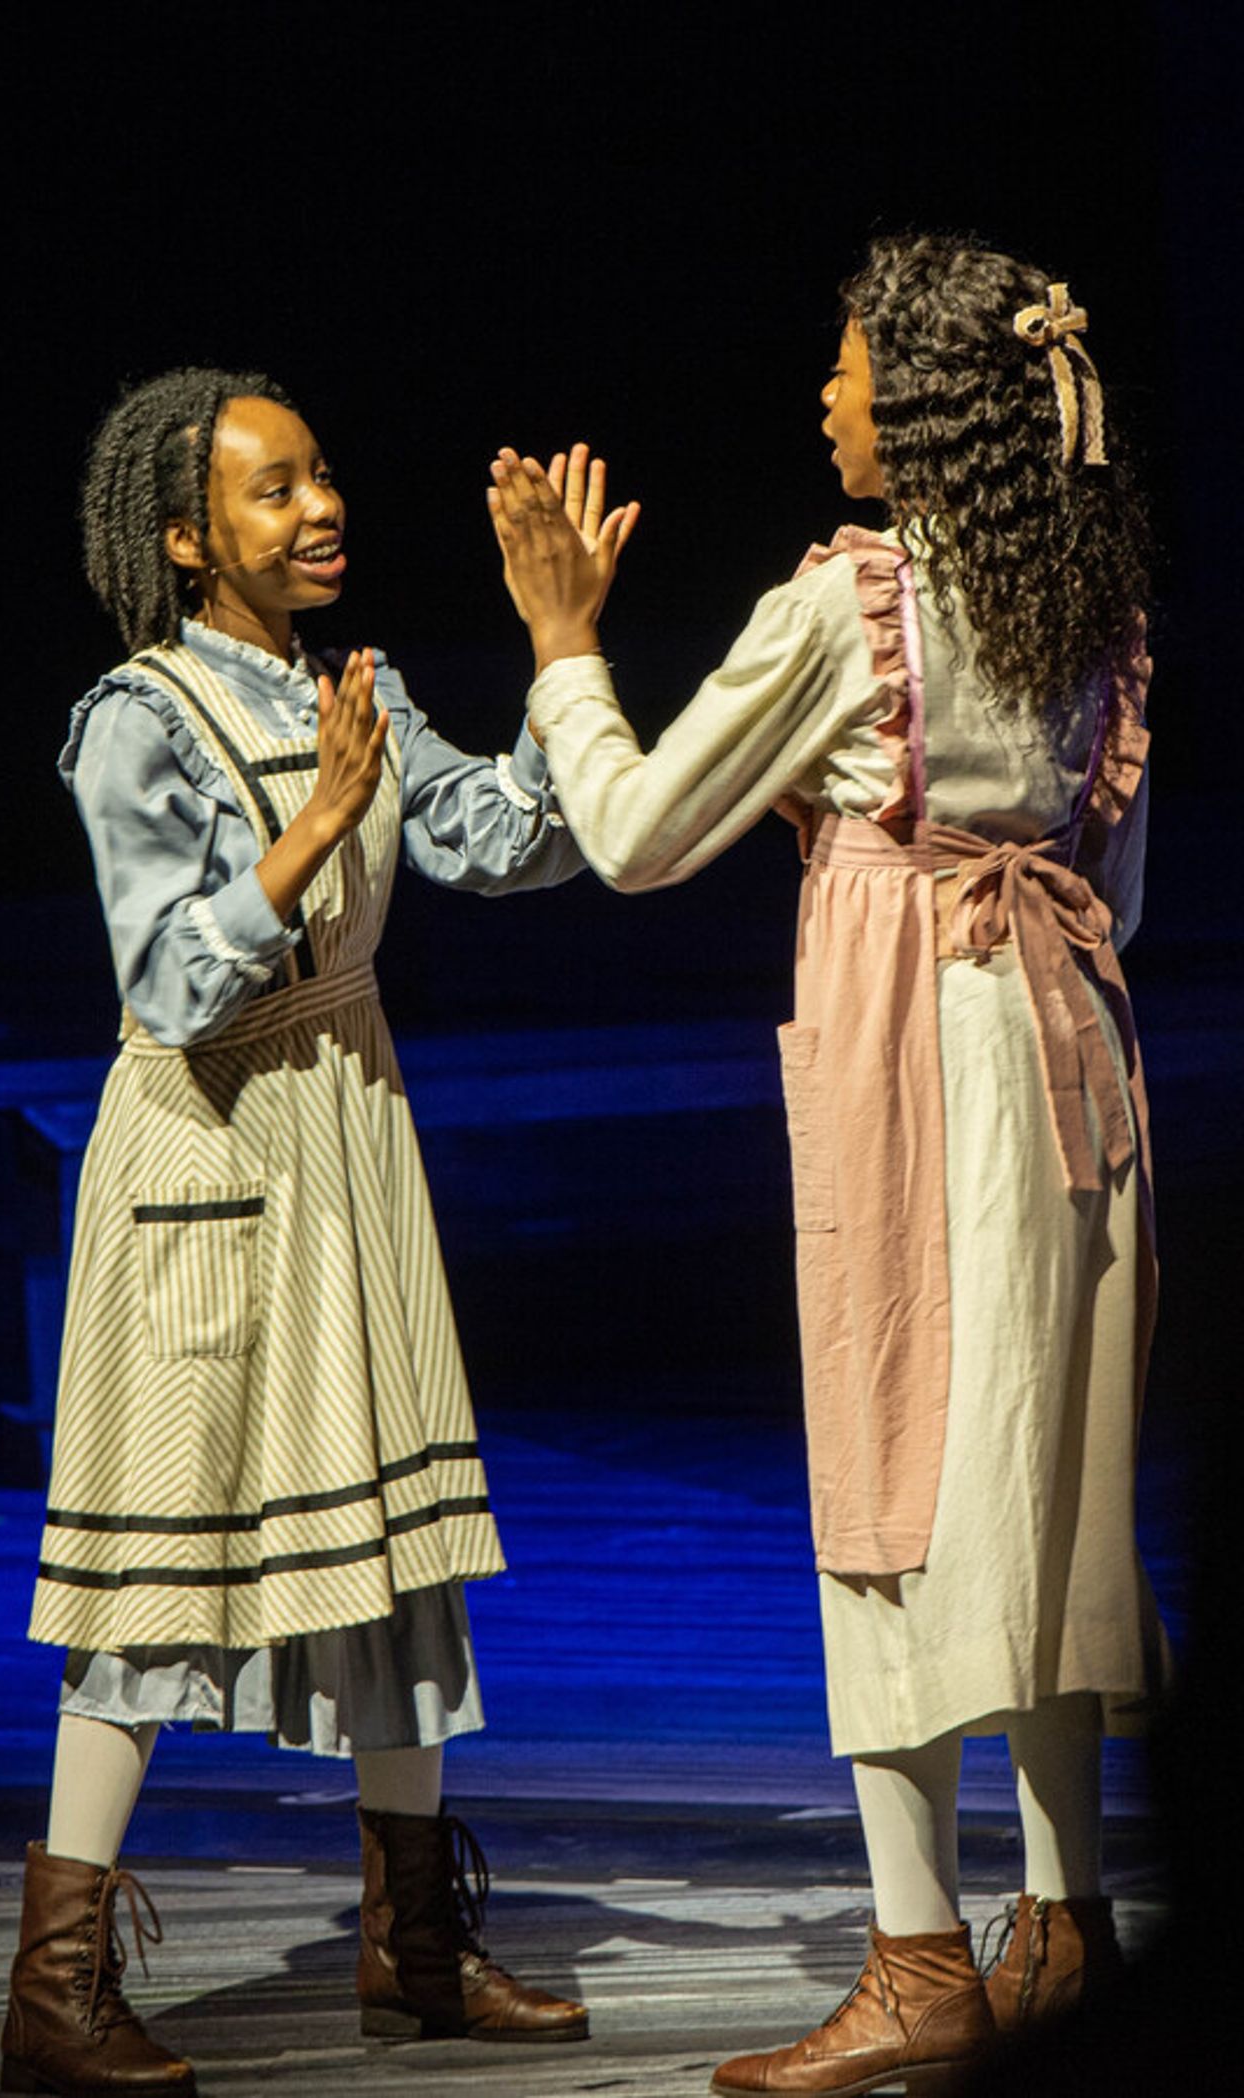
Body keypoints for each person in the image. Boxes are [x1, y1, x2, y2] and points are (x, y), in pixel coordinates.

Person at [488, 234, 1165, 2096]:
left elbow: (631, 831)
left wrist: (564, 652)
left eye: (854, 368)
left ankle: (918, 1950)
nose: (828, 396)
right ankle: (1064, 1921)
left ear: (924, 409)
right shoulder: (1085, 613)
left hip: (922, 1070)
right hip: (1076, 1064)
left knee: (896, 1468)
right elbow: (1126, 891)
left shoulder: (849, 604)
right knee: (1040, 1491)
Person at [2, 367, 624, 2096]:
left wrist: (563, 648)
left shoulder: (363, 691)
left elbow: (505, 839)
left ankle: (413, 1947)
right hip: (205, 1155)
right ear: (188, 535)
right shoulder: (136, 714)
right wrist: (305, 842)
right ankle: (52, 1988)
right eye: (274, 491)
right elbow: (163, 979)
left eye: (324, 475)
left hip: (347, 1137)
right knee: (160, 1565)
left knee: (397, 1559)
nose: (321, 507)